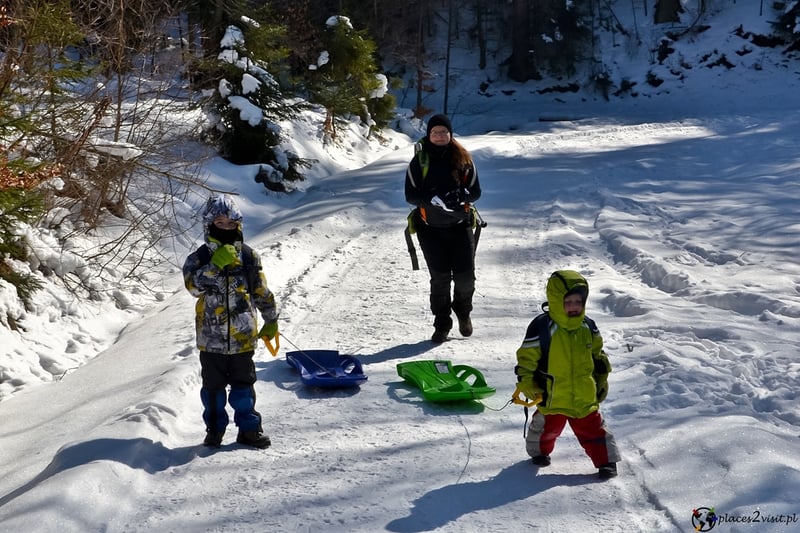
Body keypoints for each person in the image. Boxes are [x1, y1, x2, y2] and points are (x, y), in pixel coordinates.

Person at [183, 194, 278, 449]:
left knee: (243, 388)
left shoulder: (248, 256)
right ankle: (214, 430)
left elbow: (260, 290)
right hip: (210, 341)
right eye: (219, 222)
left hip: (243, 338)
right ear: (209, 224)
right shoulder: (199, 258)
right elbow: (193, 288)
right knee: (212, 390)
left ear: (238, 224)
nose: (225, 227)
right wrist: (214, 266)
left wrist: (271, 319)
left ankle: (249, 430)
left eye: (230, 223)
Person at [514, 270, 620, 479]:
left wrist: (602, 378)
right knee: (547, 429)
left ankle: (606, 462)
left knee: (594, 430)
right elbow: (527, 359)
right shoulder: (543, 327)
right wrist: (527, 382)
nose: (573, 306)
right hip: (552, 393)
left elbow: (597, 355)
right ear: (555, 300)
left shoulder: (587, 326)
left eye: (578, 301)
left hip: (583, 394)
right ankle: (538, 452)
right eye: (568, 301)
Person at [404, 114, 482, 343]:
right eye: (435, 132)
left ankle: (463, 311)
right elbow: (410, 195)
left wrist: (461, 196)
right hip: (430, 229)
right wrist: (431, 199)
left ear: (450, 134)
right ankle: (442, 324)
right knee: (440, 279)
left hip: (460, 226)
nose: (439, 136)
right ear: (429, 135)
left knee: (466, 278)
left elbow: (476, 191)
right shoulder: (419, 161)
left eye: (443, 132)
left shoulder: (463, 159)